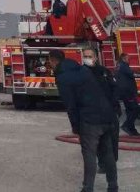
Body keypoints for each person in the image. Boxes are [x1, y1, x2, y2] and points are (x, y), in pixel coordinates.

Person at [50, 49, 119, 192]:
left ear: (53, 61)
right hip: (106, 115)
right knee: (108, 152)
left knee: (89, 153)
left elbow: (71, 105)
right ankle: (113, 186)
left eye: (49, 62)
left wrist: (76, 127)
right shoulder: (83, 70)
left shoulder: (63, 78)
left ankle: (88, 188)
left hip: (89, 119)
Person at [82, 46, 120, 173]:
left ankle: (111, 164)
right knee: (97, 144)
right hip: (92, 115)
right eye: (85, 56)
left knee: (112, 141)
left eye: (89, 56)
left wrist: (115, 106)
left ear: (96, 57)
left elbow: (114, 89)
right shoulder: (80, 73)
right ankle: (103, 165)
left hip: (108, 113)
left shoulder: (104, 72)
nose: (87, 58)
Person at [115, 53, 140, 136]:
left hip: (125, 92)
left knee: (130, 111)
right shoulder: (123, 66)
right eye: (128, 58)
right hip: (128, 93)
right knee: (135, 110)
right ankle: (126, 125)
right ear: (123, 58)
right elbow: (133, 74)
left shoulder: (120, 66)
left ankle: (132, 130)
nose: (129, 59)